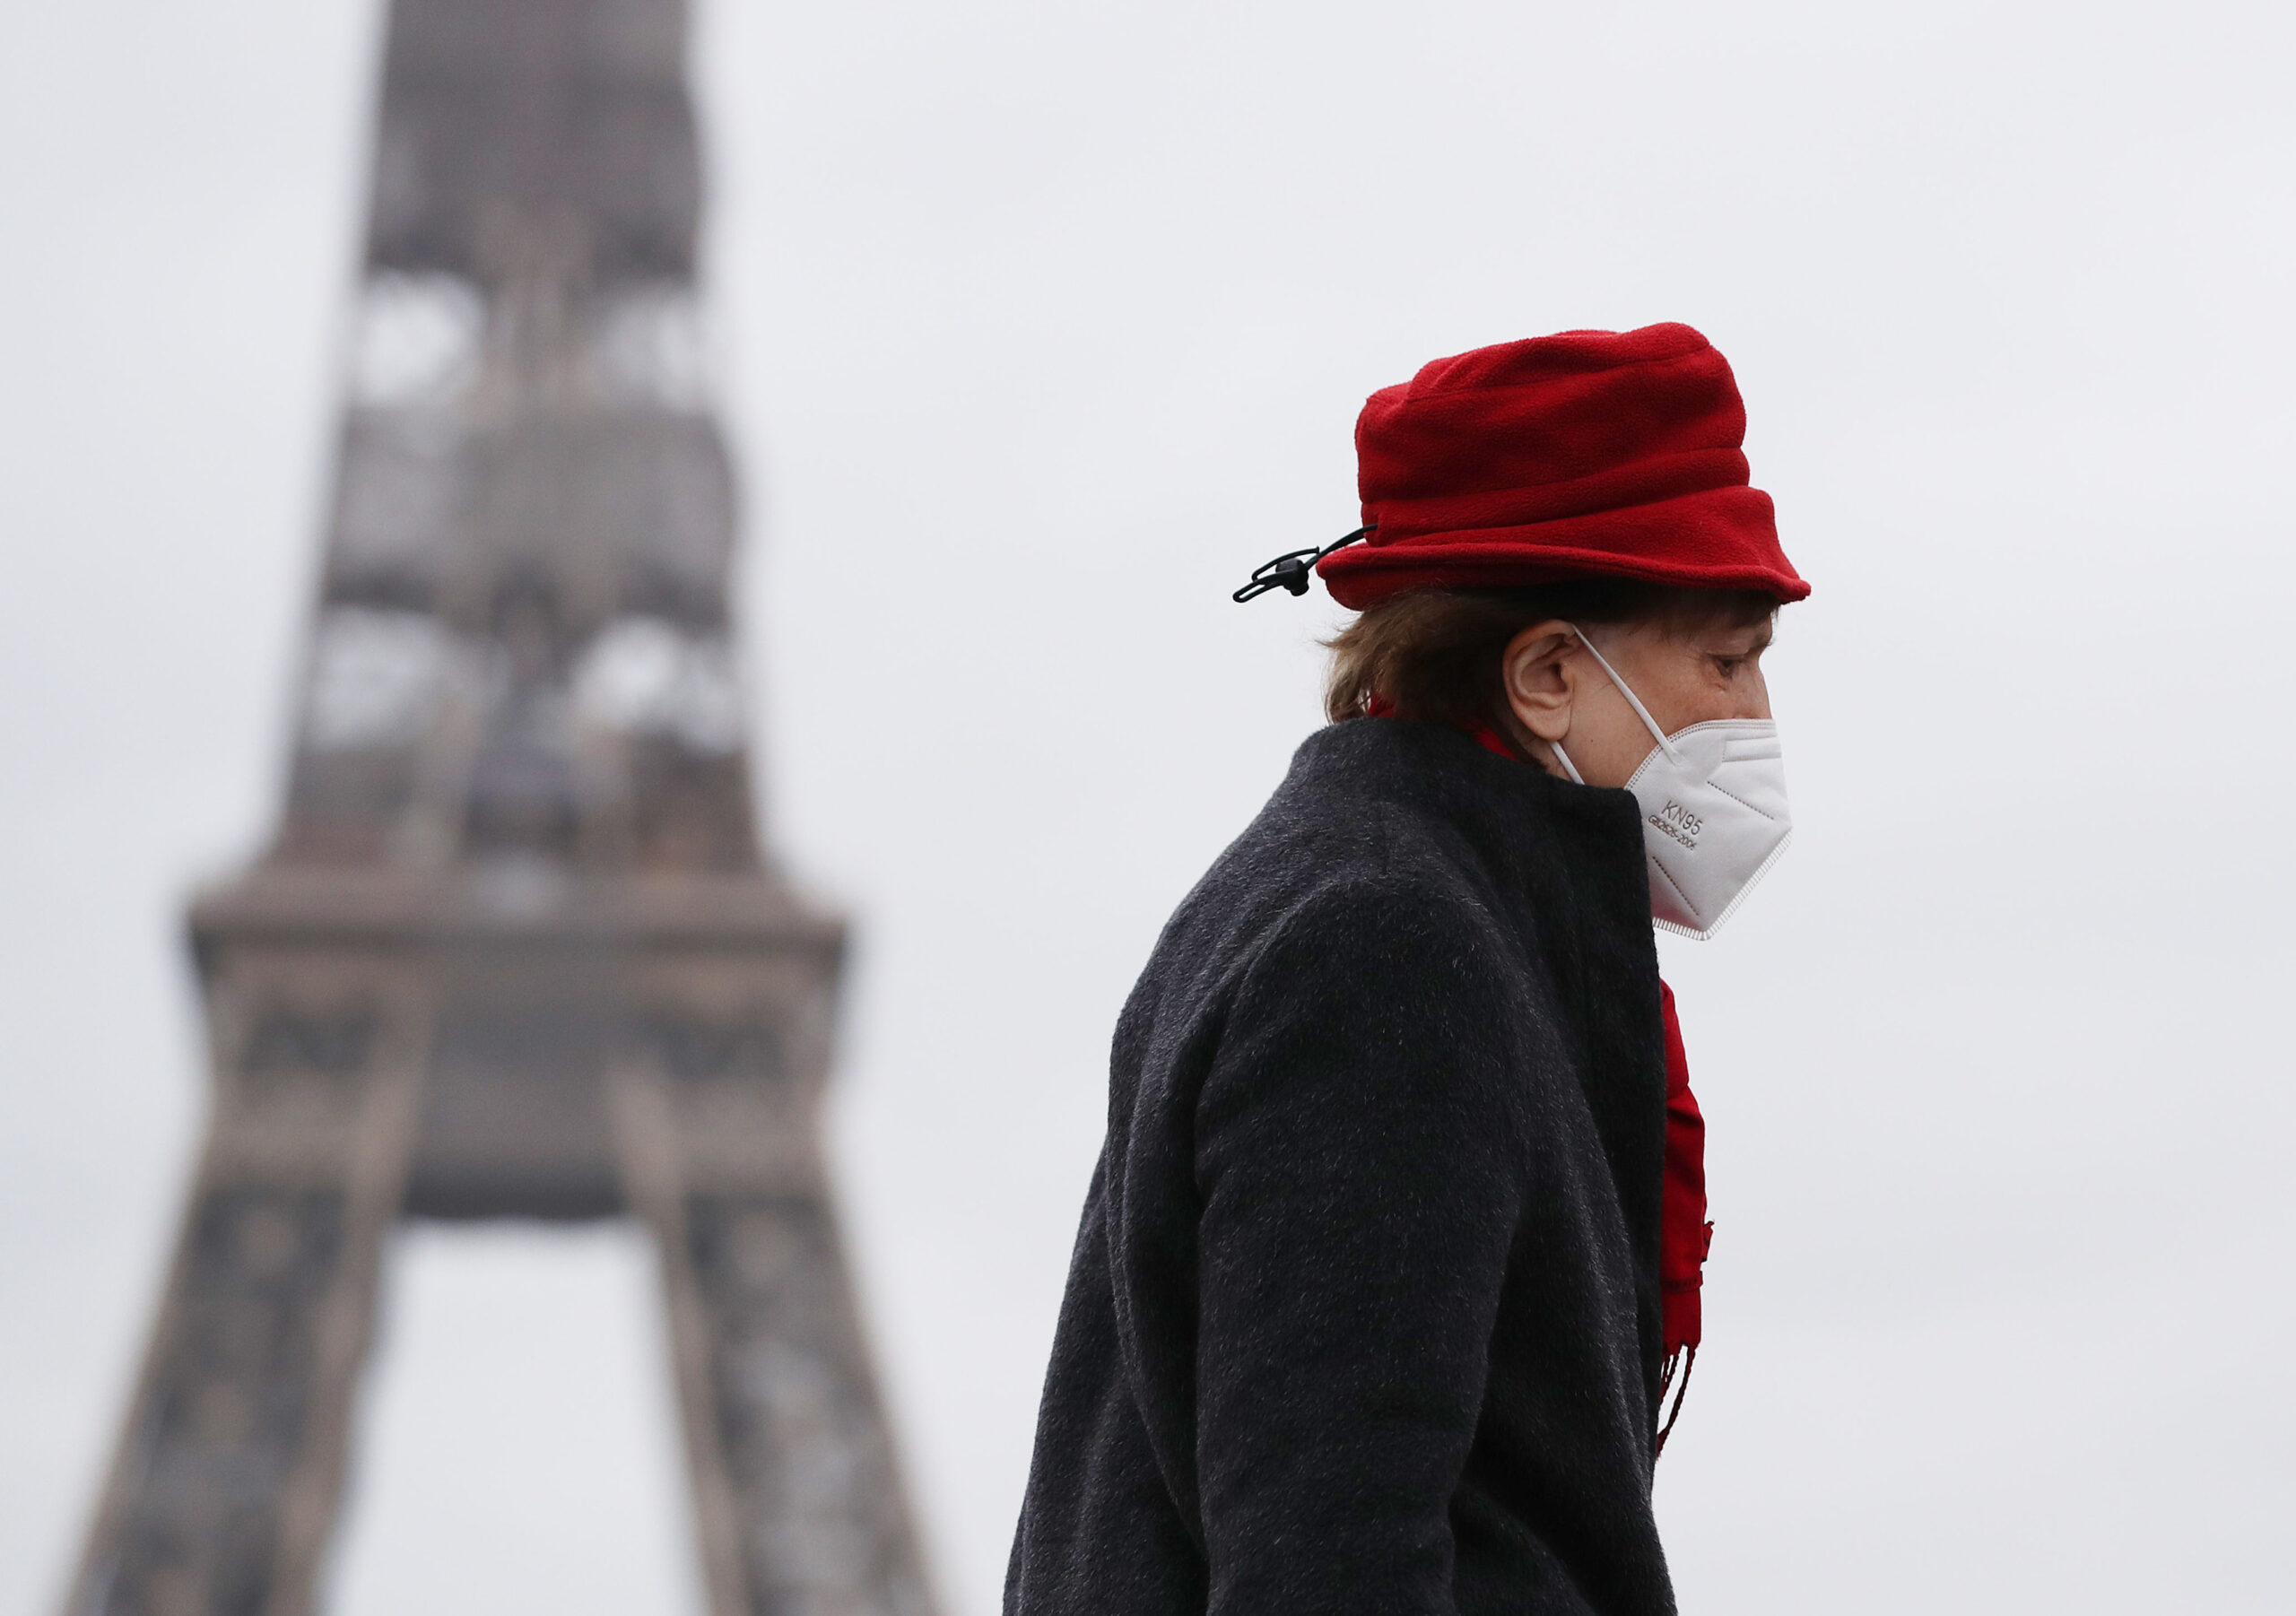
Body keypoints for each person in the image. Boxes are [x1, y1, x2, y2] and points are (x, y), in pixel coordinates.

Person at [1004, 323, 1808, 1616]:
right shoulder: (1389, 954)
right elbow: (1333, 1561)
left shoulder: (1338, 897)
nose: (1757, 719)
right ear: (1549, 672)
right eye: (1726, 659)